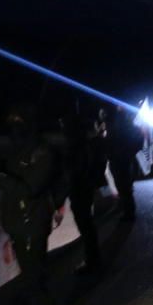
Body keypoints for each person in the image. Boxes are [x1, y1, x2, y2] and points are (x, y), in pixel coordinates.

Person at [0, 104, 79, 305]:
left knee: (35, 283)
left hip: (32, 225)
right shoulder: (21, 150)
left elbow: (27, 187)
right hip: (20, 226)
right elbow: (12, 172)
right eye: (11, 123)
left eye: (18, 122)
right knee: (31, 281)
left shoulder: (43, 152)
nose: (14, 128)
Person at [60, 100, 102, 275]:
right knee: (87, 226)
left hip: (80, 190)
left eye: (64, 125)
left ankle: (93, 261)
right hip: (83, 189)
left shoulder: (77, 147)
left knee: (86, 226)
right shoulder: (82, 145)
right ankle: (93, 258)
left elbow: (76, 171)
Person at [104, 104, 139, 221]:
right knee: (124, 186)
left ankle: (129, 213)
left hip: (120, 158)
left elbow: (137, 140)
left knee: (124, 186)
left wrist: (129, 151)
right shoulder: (121, 124)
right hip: (120, 158)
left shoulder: (120, 125)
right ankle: (127, 210)